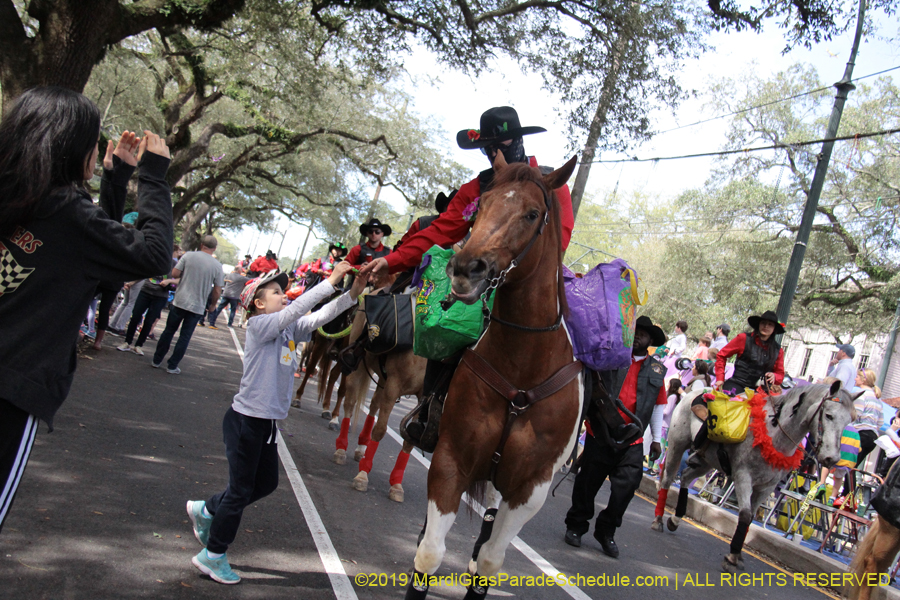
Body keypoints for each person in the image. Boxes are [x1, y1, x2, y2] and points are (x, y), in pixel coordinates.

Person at [0, 87, 174, 533]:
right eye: (94, 142)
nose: (99, 151)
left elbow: (101, 265)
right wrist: (153, 177)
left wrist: (116, 181)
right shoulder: (68, 214)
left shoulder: (25, 198)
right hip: (11, 393)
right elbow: (153, 255)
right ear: (71, 147)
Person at [359, 106, 575, 448]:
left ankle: (602, 417)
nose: (495, 153)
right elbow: (441, 231)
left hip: (533, 278)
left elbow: (561, 235)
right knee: (444, 322)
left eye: (501, 142)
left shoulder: (549, 180)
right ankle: (429, 410)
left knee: (583, 335)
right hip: (484, 278)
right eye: (488, 147)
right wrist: (394, 260)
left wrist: (516, 267)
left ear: (518, 138)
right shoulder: (478, 186)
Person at [185, 262, 366, 584]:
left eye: (284, 292)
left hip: (266, 424)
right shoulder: (260, 326)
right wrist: (330, 280)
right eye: (278, 292)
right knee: (240, 491)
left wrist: (353, 291)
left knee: (265, 484)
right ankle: (212, 555)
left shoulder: (286, 331)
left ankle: (209, 509)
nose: (285, 296)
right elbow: (294, 311)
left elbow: (318, 317)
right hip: (245, 422)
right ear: (258, 303)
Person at [564, 316, 667, 558]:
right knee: (587, 483)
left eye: (644, 333)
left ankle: (606, 531)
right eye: (636, 331)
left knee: (628, 486)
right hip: (600, 430)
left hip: (633, 438)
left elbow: (658, 406)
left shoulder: (657, 370)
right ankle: (576, 526)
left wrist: (655, 439)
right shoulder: (612, 357)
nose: (639, 335)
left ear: (651, 340)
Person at [151, 235, 224, 374]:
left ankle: (157, 359)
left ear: (202, 244)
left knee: (169, 331)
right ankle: (172, 365)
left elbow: (174, 273)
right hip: (197, 305)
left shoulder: (188, 256)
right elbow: (217, 289)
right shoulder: (217, 266)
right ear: (215, 248)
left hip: (180, 300)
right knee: (185, 336)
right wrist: (213, 304)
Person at [714, 310, 785, 396]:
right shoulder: (743, 338)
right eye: (763, 323)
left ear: (774, 329)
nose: (766, 326)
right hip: (737, 384)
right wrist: (720, 378)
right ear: (759, 324)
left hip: (760, 391)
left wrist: (775, 376)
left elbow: (780, 374)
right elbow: (721, 355)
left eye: (770, 324)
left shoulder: (778, 350)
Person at [116, 264, 178, 356]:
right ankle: (127, 342)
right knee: (135, 317)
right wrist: (132, 282)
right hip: (145, 292)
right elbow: (144, 274)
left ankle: (139, 345)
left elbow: (181, 279)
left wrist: (169, 281)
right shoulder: (155, 260)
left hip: (160, 297)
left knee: (149, 321)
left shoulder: (173, 264)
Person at [853, 368, 885, 468]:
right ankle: (850, 484)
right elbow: (880, 422)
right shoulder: (877, 398)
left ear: (863, 380)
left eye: (857, 376)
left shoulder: (861, 394)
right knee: (853, 467)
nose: (855, 379)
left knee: (849, 465)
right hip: (872, 437)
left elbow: (855, 415)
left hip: (861, 434)